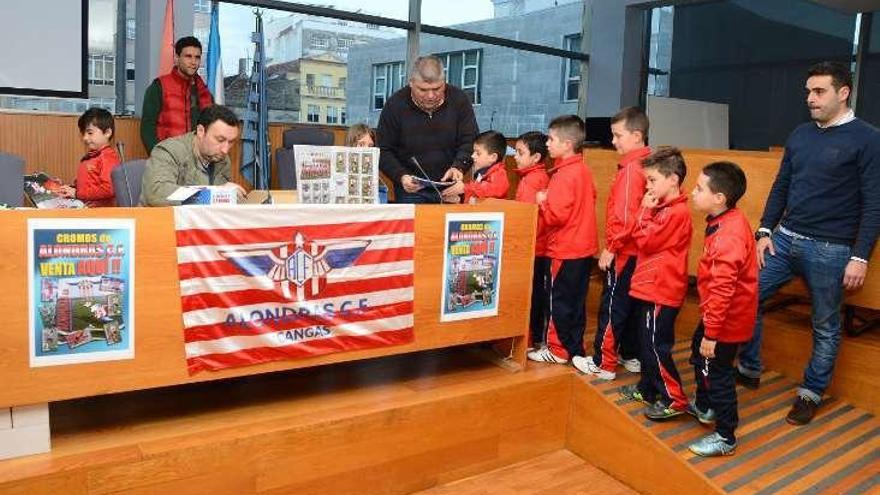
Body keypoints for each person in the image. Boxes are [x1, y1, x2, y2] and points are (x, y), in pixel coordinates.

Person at [736, 61, 880, 425]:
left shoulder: (868, 138)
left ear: (843, 92)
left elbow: (874, 203)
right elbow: (782, 185)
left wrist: (860, 256)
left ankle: (810, 393)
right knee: (744, 295)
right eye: (808, 92)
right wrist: (765, 231)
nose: (810, 98)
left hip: (832, 250)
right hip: (784, 241)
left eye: (819, 91)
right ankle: (749, 367)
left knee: (826, 325)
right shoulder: (800, 133)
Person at [684, 162, 757, 457]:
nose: (692, 192)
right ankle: (705, 405)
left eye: (700, 188)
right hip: (719, 314)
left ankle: (726, 436)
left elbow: (723, 289)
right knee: (697, 354)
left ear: (720, 198)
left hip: (726, 320)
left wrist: (712, 334)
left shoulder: (729, 235)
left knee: (718, 373)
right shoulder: (725, 219)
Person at [573, 106, 651, 380]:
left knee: (613, 305)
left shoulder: (632, 170)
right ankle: (630, 355)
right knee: (630, 306)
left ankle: (602, 363)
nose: (614, 141)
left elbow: (626, 216)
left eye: (618, 136)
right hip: (639, 251)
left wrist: (611, 247)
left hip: (626, 250)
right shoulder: (648, 163)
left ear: (637, 135)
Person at [618, 147, 692, 420]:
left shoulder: (676, 213)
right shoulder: (663, 208)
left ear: (673, 179)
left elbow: (646, 241)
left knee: (656, 347)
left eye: (652, 180)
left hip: (662, 290)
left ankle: (675, 398)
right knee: (645, 342)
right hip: (649, 287)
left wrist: (644, 212)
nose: (647, 186)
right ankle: (648, 389)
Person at [527, 115, 598, 364]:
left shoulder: (564, 174)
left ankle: (557, 349)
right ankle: (573, 347)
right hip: (582, 248)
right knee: (575, 302)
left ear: (567, 144)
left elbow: (556, 215)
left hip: (565, 248)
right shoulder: (582, 170)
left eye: (552, 139)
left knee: (557, 301)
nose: (547, 143)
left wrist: (542, 201)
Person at [377, 55, 478, 204]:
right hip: (411, 191)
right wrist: (401, 176)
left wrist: (459, 166)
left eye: (437, 89)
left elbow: (470, 141)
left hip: (450, 188)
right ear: (411, 83)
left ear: (444, 82)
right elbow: (384, 150)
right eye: (423, 90)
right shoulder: (394, 105)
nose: (431, 96)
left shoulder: (460, 100)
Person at [140, 104, 245, 206]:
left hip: (198, 221)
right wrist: (214, 193)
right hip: (161, 220)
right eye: (220, 140)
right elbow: (156, 193)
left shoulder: (222, 159)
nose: (225, 150)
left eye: (231, 142)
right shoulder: (169, 151)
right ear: (200, 131)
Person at [140, 36, 214, 153]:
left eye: (197, 57)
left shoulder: (204, 92)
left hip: (198, 160)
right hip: (168, 158)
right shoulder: (159, 86)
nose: (193, 62)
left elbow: (211, 127)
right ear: (177, 58)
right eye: (188, 56)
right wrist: (159, 156)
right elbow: (147, 127)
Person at [512, 131, 551, 349]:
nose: (516, 156)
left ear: (535, 158)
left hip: (533, 247)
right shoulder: (538, 177)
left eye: (520, 152)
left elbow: (528, 219)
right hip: (539, 246)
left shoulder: (531, 180)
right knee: (537, 295)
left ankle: (529, 339)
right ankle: (535, 337)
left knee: (531, 296)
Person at [58, 107, 121, 207]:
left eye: (90, 133)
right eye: (83, 133)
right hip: (85, 208)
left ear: (107, 133)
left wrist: (77, 193)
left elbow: (108, 189)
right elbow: (87, 184)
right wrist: (69, 189)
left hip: (99, 214)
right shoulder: (91, 156)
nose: (85, 138)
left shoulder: (108, 158)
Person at [441, 130, 509, 204]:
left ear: (493, 157)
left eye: (478, 153)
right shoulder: (481, 173)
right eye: (473, 152)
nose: (472, 156)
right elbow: (476, 200)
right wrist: (460, 200)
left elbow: (494, 189)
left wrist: (465, 188)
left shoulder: (499, 174)